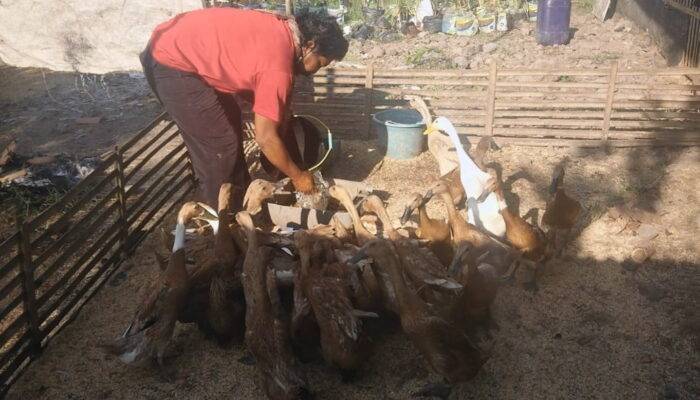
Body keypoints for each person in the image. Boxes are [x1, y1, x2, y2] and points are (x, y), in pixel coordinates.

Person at [140, 7, 348, 209]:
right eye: (320, 63)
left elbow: (277, 112)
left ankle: (243, 198)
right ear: (309, 45)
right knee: (220, 144)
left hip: (181, 44)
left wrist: (284, 140)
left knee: (231, 119)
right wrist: (298, 176)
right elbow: (265, 138)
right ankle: (223, 221)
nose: (315, 71)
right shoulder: (277, 67)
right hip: (170, 59)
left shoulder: (285, 30)